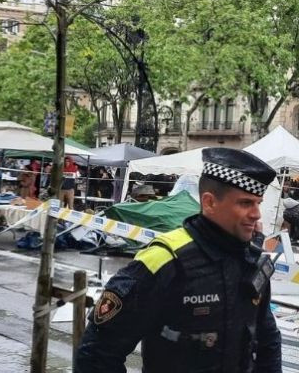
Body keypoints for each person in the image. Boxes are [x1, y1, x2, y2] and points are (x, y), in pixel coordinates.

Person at [76, 147, 282, 373]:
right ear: (210, 202)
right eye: (245, 203)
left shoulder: (250, 261)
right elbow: (97, 354)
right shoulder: (164, 260)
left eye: (258, 203)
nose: (256, 214)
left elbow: (267, 341)